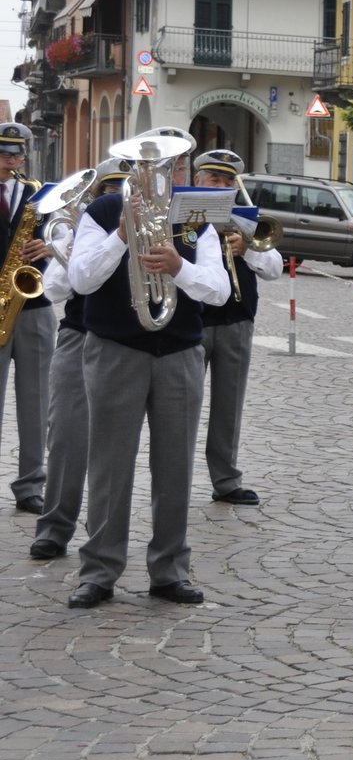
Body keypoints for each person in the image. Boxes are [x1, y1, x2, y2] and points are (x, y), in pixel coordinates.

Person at [65, 136, 230, 608]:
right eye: (144, 166)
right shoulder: (101, 212)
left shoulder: (195, 214)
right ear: (129, 168)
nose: (156, 176)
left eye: (168, 167)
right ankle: (99, 571)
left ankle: (169, 570)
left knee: (175, 466)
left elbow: (217, 290)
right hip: (115, 349)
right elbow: (80, 280)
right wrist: (122, 235)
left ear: (180, 168)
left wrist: (178, 267)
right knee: (110, 465)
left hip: (179, 353)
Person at [30, 158, 129, 560]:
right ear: (96, 195)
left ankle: (102, 528)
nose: (117, 197)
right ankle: (55, 527)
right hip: (79, 335)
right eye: (109, 190)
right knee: (68, 436)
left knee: (115, 445)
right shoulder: (81, 229)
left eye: (124, 189)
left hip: (127, 343)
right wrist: (68, 250)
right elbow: (54, 290)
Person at [193, 149, 283, 507]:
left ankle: (226, 480)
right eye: (214, 179)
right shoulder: (184, 216)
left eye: (228, 181)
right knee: (182, 406)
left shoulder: (246, 219)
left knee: (229, 407)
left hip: (236, 321)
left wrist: (247, 249)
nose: (222, 185)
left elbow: (274, 268)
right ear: (198, 181)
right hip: (193, 323)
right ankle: (176, 475)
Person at [0, 122, 55, 514]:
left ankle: (30, 485)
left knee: (36, 402)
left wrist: (47, 247)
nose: (10, 161)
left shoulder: (40, 195)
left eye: (17, 154)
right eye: (4, 154)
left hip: (34, 308)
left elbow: (66, 240)